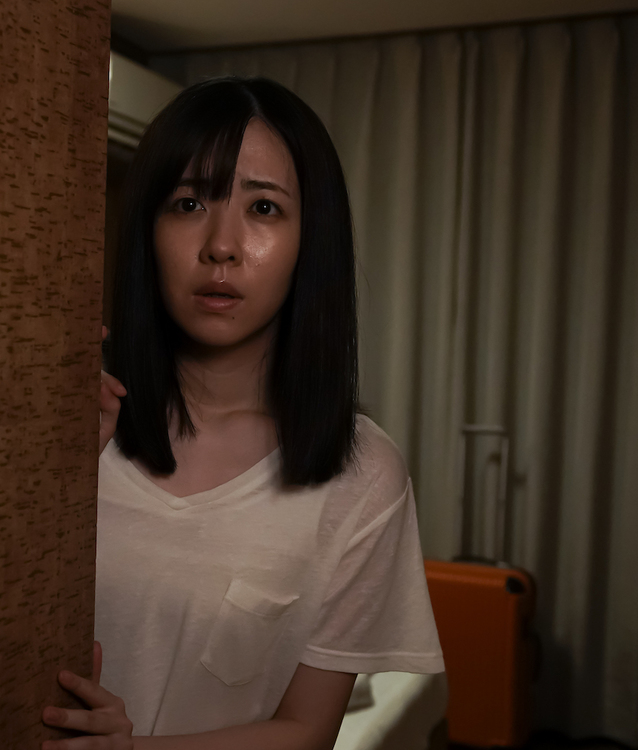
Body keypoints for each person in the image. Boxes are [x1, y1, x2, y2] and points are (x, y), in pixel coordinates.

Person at [41, 76, 444, 750]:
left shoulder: (361, 474)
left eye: (263, 208)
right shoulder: (72, 418)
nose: (221, 245)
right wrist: (50, 474)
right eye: (189, 202)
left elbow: (306, 730)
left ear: (309, 240)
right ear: (147, 229)